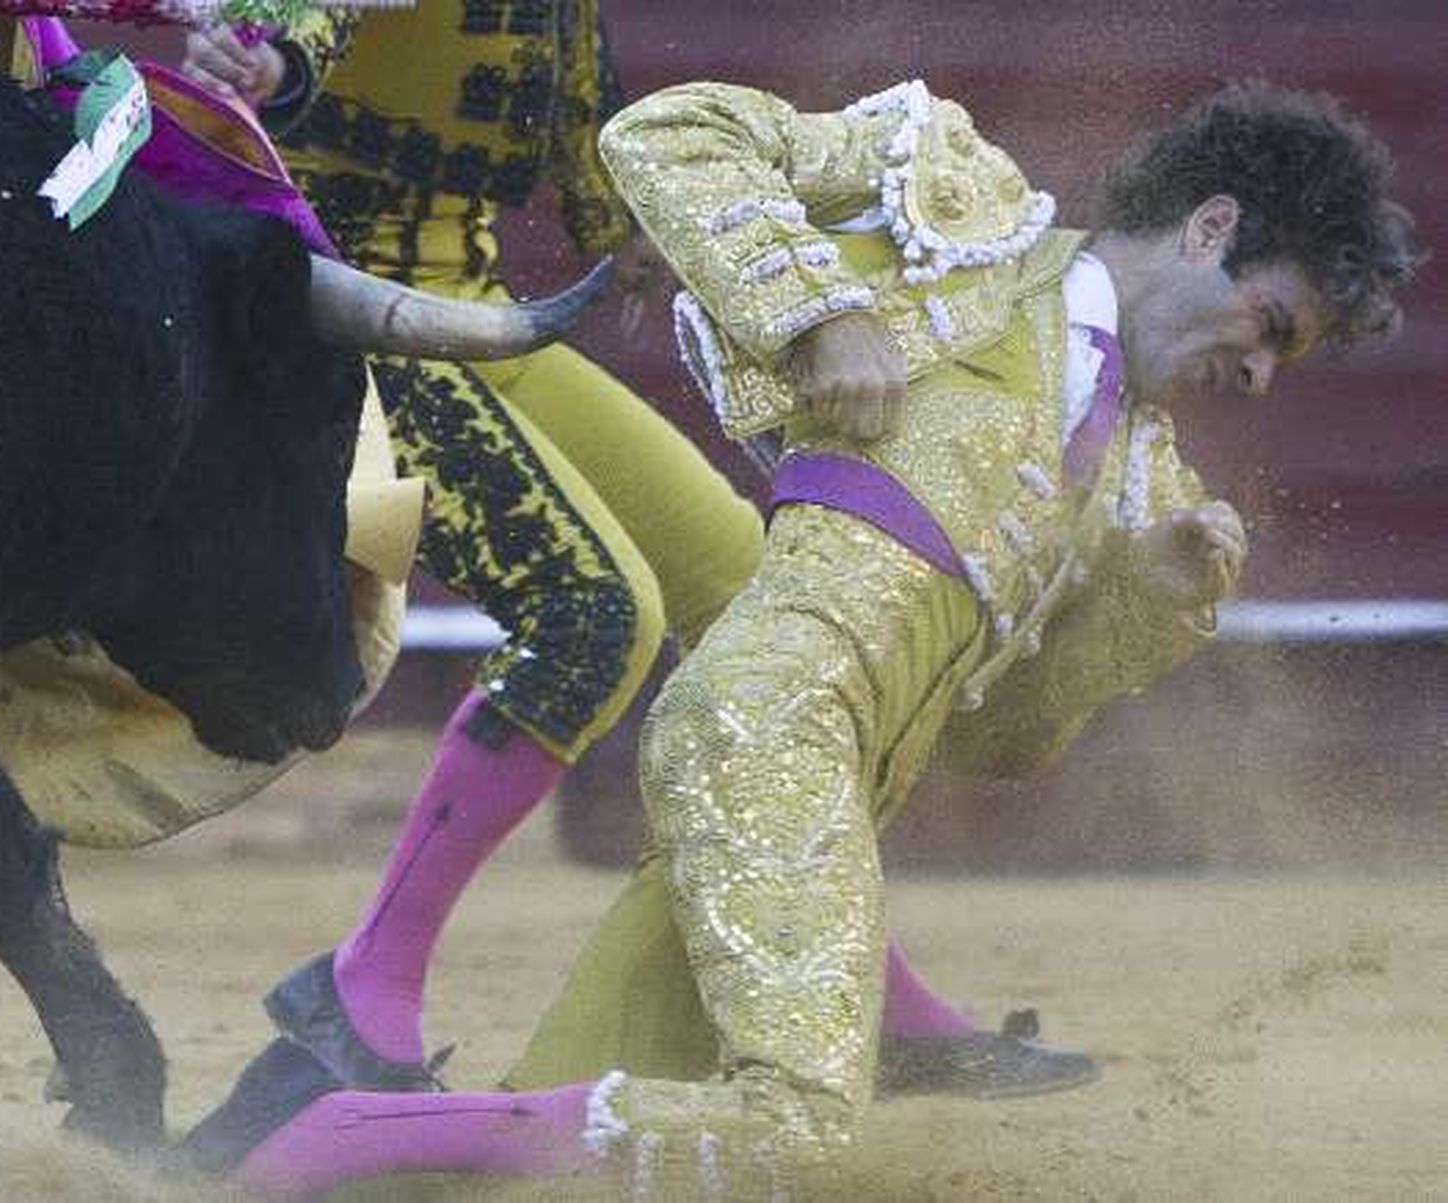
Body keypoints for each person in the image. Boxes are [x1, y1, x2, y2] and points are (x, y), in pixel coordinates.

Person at [178, 72, 1420, 1199]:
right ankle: (339, 1134)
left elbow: (995, 742)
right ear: (1208, 230)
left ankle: (332, 1160)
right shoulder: (960, 218)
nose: (1260, 375)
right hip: (766, 728)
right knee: (795, 1131)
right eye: (1270, 324)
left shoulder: (1143, 492)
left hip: (824, 806)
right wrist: (816, 315)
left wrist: (1141, 604)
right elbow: (668, 131)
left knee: (562, 1160)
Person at [178, 0, 1091, 1105]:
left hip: (477, 318)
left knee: (764, 613)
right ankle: (365, 980)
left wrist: (654, 238)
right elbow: (305, 20)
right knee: (595, 616)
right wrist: (271, 62)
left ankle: (858, 982)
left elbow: (592, 142)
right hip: (339, 331)